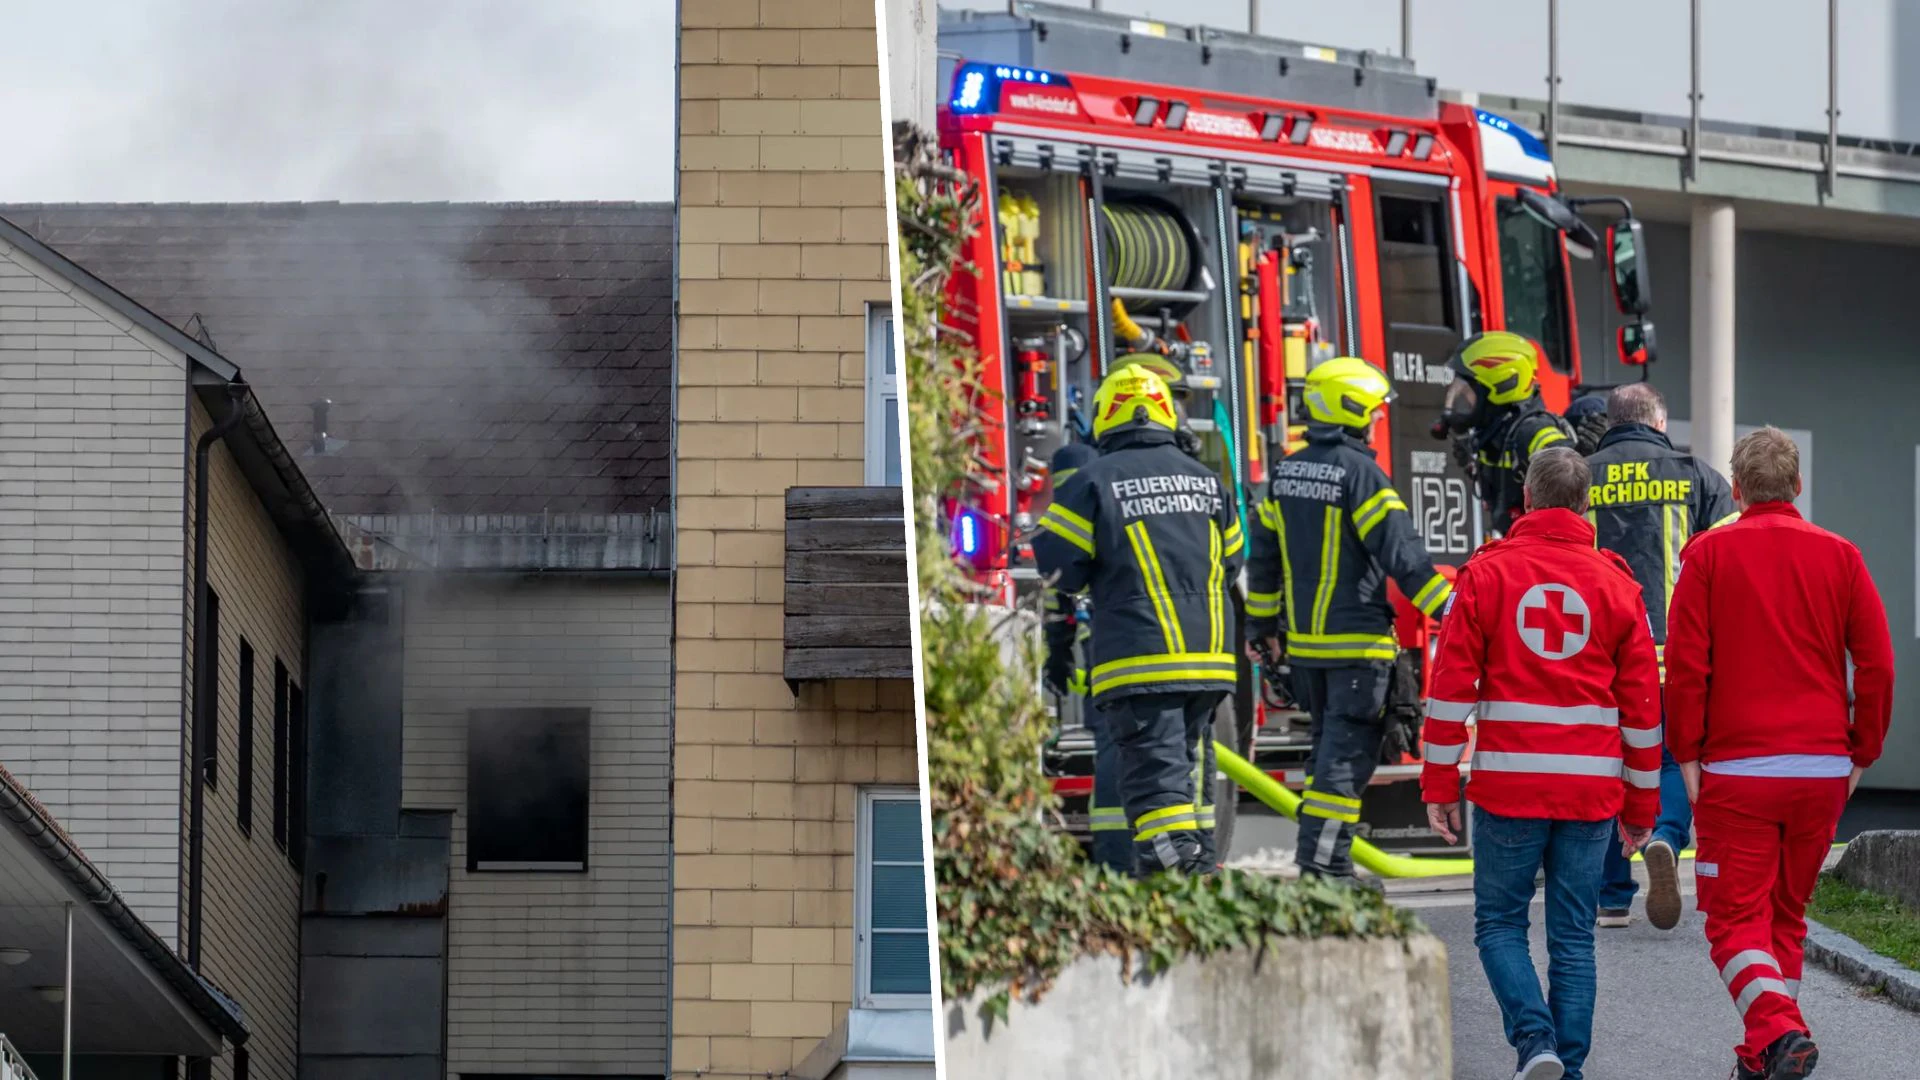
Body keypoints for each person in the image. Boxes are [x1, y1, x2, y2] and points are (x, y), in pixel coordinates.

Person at [1421, 447, 1661, 1080]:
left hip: (1509, 786)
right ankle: (1567, 1070)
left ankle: (1536, 1045)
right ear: (1585, 505)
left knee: (1500, 924)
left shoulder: (1486, 575)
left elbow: (1450, 690)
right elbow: (1642, 711)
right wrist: (1642, 805)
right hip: (1590, 792)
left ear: (1526, 498)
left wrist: (1439, 782)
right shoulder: (1619, 586)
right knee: (1574, 939)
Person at [1665, 427, 1894, 1080]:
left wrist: (1686, 754)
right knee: (1784, 918)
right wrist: (1862, 753)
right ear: (1798, 485)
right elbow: (1877, 665)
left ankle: (1780, 1031)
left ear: (1737, 489)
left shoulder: (1708, 554)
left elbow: (1687, 666)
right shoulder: (1841, 556)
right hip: (1821, 768)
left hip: (1738, 769)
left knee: (1732, 922)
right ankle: (1763, 1055)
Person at [1246, 356, 1452, 881]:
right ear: (1353, 410)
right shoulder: (1361, 475)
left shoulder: (1286, 472)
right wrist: (1453, 612)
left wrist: (1262, 632)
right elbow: (1404, 556)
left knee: (1326, 756)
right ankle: (1325, 870)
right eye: (1374, 412)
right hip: (1357, 650)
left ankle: (1327, 863)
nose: (1377, 421)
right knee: (1344, 765)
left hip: (1306, 655)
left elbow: (1262, 562)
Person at [1033, 365, 1242, 875]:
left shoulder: (1093, 481)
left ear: (1106, 417)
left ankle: (1176, 883)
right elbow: (1233, 561)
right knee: (1186, 778)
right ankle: (1191, 886)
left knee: (1156, 789)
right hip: (1210, 661)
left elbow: (1057, 565)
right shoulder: (1207, 482)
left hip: (1141, 661)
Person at [1585, 382, 1739, 930]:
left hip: (1598, 658)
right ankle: (1668, 840)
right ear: (1659, 422)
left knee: (1610, 764)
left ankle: (1611, 895)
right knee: (1674, 757)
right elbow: (1729, 563)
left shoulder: (1582, 475)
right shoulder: (1698, 476)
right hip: (1676, 654)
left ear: (1611, 422)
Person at [1040, 442, 1135, 873]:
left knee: (1113, 752)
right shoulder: (1114, 512)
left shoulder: (1064, 522)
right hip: (1130, 652)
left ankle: (1116, 863)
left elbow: (1058, 596)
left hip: (1108, 663)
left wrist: (1058, 654)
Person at [1437, 331, 1574, 535]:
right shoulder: (1496, 434)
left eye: (1467, 390)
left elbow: (1571, 485)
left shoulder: (1532, 432)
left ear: (1502, 385)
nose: (1460, 399)